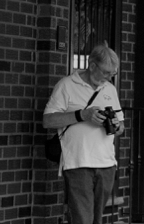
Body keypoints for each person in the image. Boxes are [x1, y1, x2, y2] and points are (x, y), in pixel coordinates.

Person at [43, 44, 125, 224]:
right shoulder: (66, 85)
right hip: (78, 163)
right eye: (105, 72)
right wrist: (82, 115)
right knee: (82, 219)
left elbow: (121, 127)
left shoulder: (109, 88)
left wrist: (115, 126)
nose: (108, 77)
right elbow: (48, 121)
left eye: (112, 74)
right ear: (92, 65)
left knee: (96, 220)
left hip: (106, 164)